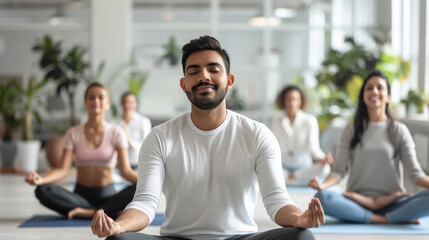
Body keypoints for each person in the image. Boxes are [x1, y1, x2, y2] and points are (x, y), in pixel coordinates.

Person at [91, 35, 324, 240]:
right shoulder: (160, 137)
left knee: (303, 237)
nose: (204, 76)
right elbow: (145, 203)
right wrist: (118, 226)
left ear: (229, 81)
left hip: (239, 237)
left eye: (213, 69)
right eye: (194, 71)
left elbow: (277, 201)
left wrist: (299, 219)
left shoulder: (257, 134)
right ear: (184, 85)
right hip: (178, 238)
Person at [309, 70, 429, 224]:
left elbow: (416, 175)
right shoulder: (351, 129)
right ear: (363, 95)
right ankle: (386, 220)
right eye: (369, 88)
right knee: (322, 198)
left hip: (393, 203)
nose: (374, 91)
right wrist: (322, 184)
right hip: (356, 203)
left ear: (388, 97)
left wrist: (383, 201)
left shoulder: (399, 130)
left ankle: (382, 217)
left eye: (380, 88)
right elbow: (339, 172)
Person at [25, 82, 138, 219]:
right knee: (43, 190)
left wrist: (147, 182)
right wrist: (41, 180)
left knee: (140, 187)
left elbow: (125, 171)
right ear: (85, 103)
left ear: (108, 104)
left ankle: (90, 212)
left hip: (108, 196)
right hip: (80, 197)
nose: (96, 101)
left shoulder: (116, 133)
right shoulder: (73, 133)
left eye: (101, 97)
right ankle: (104, 211)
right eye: (91, 97)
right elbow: (63, 170)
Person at [271, 85, 334, 186]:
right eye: (289, 99)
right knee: (265, 170)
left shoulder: (310, 120)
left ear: (300, 101)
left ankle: (290, 178)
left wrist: (322, 158)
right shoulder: (276, 122)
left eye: (295, 99)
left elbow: (313, 147)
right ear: (283, 101)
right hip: (283, 167)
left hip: (303, 168)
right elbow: (273, 148)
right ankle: (295, 180)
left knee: (325, 168)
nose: (292, 103)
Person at [113, 91, 152, 170]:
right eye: (124, 102)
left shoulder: (143, 121)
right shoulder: (114, 122)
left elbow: (146, 146)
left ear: (135, 104)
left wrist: (128, 139)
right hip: (118, 166)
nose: (127, 105)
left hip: (138, 165)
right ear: (121, 104)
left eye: (130, 102)